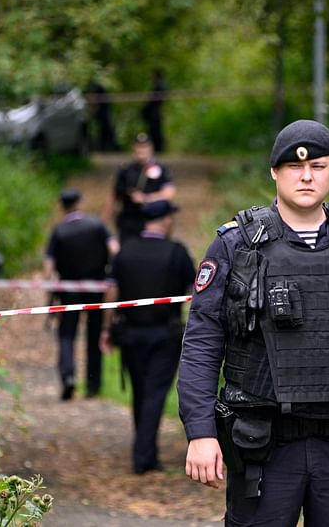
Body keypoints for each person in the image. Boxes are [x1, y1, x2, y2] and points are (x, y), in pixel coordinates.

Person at [178, 120, 329, 526]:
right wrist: (201, 432)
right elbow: (202, 343)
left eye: (318, 166)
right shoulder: (236, 245)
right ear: (274, 171)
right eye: (293, 166)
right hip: (263, 444)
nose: (306, 176)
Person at [100, 200, 196, 474]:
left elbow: (111, 292)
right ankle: (143, 456)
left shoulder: (125, 251)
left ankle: (147, 452)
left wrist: (107, 329)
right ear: (165, 220)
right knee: (154, 392)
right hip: (165, 333)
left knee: (140, 391)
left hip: (130, 332)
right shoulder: (176, 252)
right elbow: (196, 292)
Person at [44, 188, 119, 400]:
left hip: (68, 290)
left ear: (62, 206)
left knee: (67, 334)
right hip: (97, 287)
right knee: (95, 333)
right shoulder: (97, 225)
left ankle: (68, 376)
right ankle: (93, 383)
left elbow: (49, 266)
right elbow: (114, 249)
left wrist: (50, 292)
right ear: (80, 203)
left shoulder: (58, 231)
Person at [104, 132, 175, 244]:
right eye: (138, 147)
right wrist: (104, 222)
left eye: (144, 147)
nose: (141, 150)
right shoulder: (125, 171)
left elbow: (169, 194)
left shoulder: (161, 170)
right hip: (130, 220)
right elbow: (114, 197)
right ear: (133, 149)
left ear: (151, 149)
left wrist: (146, 198)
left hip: (153, 221)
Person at [141, 69, 167, 152]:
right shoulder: (160, 86)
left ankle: (158, 148)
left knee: (155, 131)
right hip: (155, 112)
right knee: (155, 131)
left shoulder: (160, 86)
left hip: (155, 113)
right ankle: (157, 148)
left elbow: (154, 101)